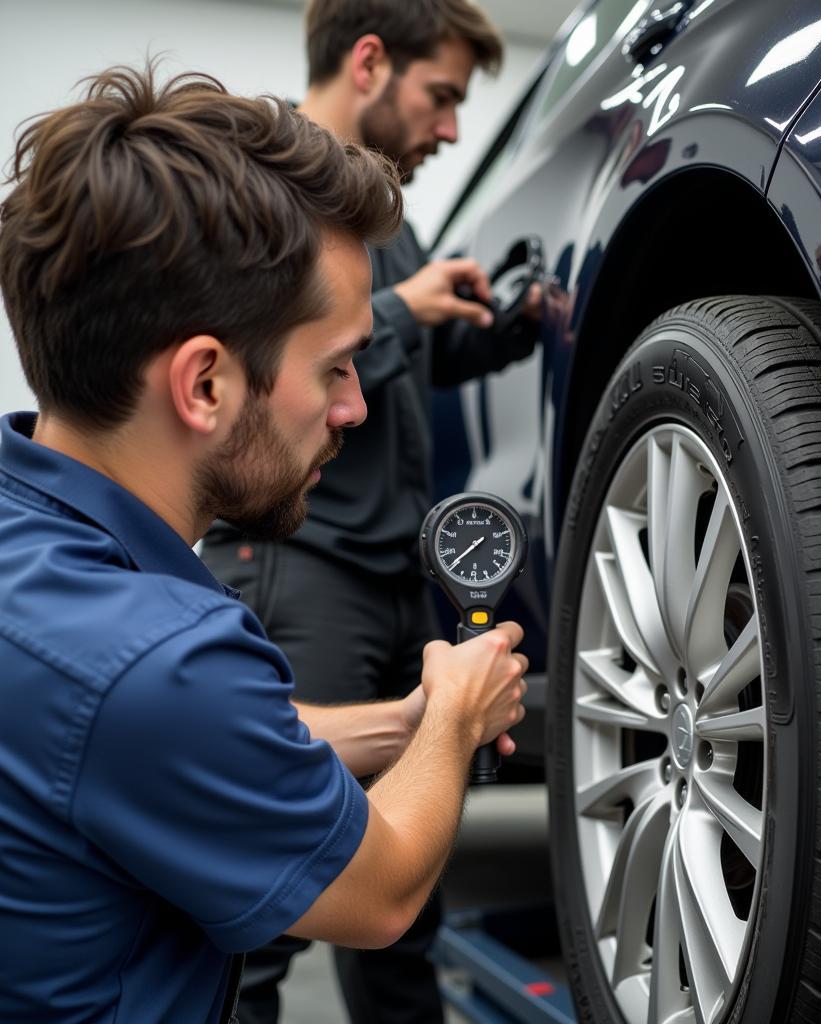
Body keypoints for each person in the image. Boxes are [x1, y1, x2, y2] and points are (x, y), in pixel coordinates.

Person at [0, 63, 528, 1024]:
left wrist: (401, 725)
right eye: (334, 368)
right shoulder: (159, 658)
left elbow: (170, 745)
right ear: (204, 384)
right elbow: (383, 893)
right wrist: (455, 716)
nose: (357, 408)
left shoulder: (38, 556)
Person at [200, 2, 541, 1022]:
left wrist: (516, 319)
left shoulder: (391, 215)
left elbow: (396, 370)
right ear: (368, 61)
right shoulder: (266, 188)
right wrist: (403, 306)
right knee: (274, 899)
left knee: (410, 892)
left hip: (395, 582)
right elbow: (270, 357)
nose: (448, 128)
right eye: (439, 97)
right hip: (301, 567)